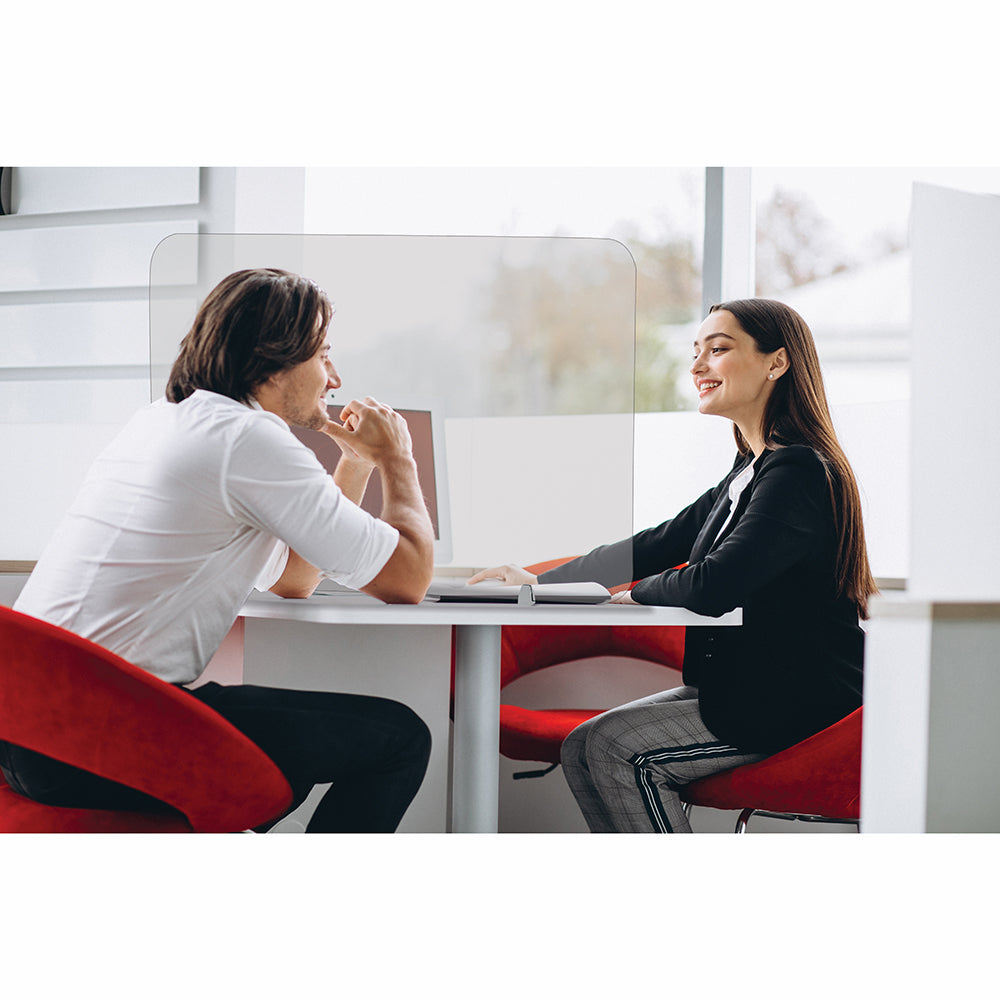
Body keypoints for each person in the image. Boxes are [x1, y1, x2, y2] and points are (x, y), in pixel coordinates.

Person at [2, 267, 436, 832]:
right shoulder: (249, 439)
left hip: (30, 731)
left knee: (297, 753)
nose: (334, 377)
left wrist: (354, 463)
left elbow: (293, 579)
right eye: (323, 355)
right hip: (102, 735)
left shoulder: (166, 422)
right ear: (274, 360)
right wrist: (397, 458)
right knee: (399, 738)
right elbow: (409, 579)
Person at [470, 298, 877, 833]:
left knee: (615, 749)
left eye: (719, 349)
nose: (698, 365)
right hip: (743, 692)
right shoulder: (752, 470)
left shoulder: (798, 472)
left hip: (800, 705)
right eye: (697, 351)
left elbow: (714, 584)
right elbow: (655, 545)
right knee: (580, 747)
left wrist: (636, 594)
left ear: (777, 363)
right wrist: (542, 582)